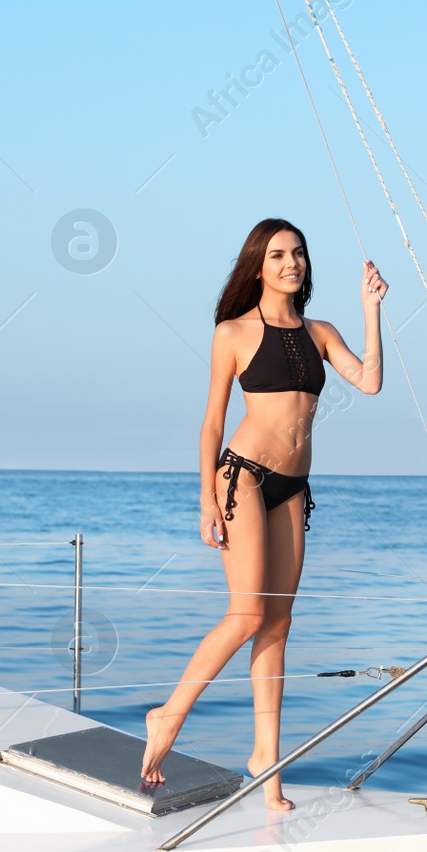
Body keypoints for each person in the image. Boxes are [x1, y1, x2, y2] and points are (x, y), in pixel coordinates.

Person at [141, 218, 387, 810]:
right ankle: (167, 717)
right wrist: (206, 499)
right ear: (258, 265)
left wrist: (371, 308)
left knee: (278, 627)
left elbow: (371, 382)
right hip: (243, 476)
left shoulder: (320, 332)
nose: (290, 263)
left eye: (298, 253)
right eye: (277, 254)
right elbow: (211, 422)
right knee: (248, 614)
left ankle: (266, 767)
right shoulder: (232, 333)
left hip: (294, 487)